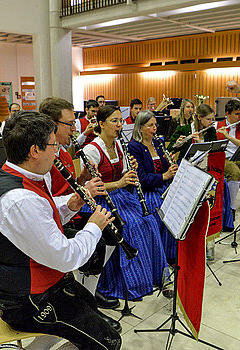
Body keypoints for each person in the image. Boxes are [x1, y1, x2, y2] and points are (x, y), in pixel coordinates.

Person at [0, 111, 122, 350]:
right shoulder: (19, 199)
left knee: (89, 306)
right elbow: (66, 258)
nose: (58, 150)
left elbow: (40, 218)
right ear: (34, 151)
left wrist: (71, 203)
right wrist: (94, 226)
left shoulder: (24, 175)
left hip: (41, 285)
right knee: (109, 343)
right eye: (53, 145)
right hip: (26, 301)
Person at [39, 97, 122, 331]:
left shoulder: (63, 152)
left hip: (70, 210)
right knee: (96, 244)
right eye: (70, 123)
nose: (75, 129)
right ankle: (87, 303)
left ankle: (89, 291)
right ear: (52, 124)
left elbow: (68, 185)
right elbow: (44, 202)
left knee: (114, 230)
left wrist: (83, 179)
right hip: (55, 218)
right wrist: (82, 193)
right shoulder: (45, 158)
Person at [82, 105, 169, 300]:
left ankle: (153, 275)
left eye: (121, 121)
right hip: (100, 199)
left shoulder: (120, 145)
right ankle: (128, 283)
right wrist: (121, 182)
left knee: (150, 221)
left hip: (121, 195)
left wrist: (131, 170)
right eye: (114, 121)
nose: (119, 125)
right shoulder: (92, 150)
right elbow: (90, 186)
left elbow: (121, 175)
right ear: (101, 124)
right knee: (130, 226)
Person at [128, 110, 178, 262]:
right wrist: (165, 176)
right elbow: (141, 178)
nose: (154, 128)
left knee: (177, 205)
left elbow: (163, 167)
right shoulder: (134, 147)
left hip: (162, 186)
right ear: (140, 127)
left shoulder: (158, 143)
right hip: (146, 191)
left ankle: (171, 253)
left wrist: (170, 163)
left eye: (155, 125)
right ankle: (159, 256)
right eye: (150, 125)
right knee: (161, 207)